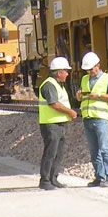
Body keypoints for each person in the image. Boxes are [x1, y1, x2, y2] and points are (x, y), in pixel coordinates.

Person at [37, 56, 77, 190]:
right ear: (59, 72)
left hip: (59, 124)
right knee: (50, 153)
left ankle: (53, 179)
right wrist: (70, 112)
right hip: (50, 125)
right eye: (65, 71)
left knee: (58, 153)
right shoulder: (49, 85)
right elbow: (54, 104)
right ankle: (45, 181)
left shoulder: (58, 85)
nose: (67, 74)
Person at [77, 51, 108, 187]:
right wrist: (79, 95)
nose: (89, 72)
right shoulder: (84, 79)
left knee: (105, 148)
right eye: (87, 70)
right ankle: (99, 177)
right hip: (87, 118)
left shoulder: (107, 78)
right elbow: (82, 97)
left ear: (98, 66)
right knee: (94, 150)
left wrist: (99, 95)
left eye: (91, 69)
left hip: (101, 118)